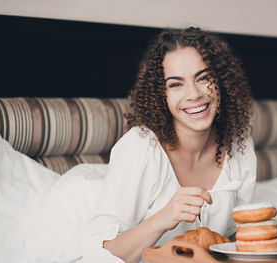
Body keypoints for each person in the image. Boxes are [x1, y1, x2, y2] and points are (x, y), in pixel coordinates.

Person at [24, 27, 256, 263]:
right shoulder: (142, 148)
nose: (194, 94)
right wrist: (162, 219)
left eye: (203, 78)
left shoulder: (238, 144)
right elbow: (97, 254)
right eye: (176, 84)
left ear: (221, 81)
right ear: (161, 95)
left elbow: (238, 236)